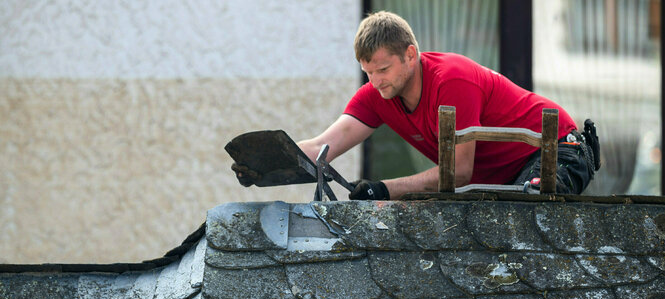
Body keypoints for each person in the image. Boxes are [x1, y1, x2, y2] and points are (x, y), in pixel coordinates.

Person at [233, 11, 599, 199]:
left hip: (557, 152)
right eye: (367, 72)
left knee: (526, 220)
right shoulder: (379, 94)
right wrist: (266, 163)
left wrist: (385, 189)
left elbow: (458, 172)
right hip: (502, 176)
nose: (375, 82)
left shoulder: (453, 80)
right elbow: (321, 148)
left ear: (410, 55)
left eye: (382, 69)